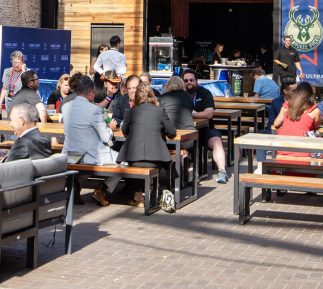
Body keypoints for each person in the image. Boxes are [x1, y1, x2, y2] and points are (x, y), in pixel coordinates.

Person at [117, 83, 177, 213]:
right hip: (156, 156)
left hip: (133, 156)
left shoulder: (131, 112)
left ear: (137, 97)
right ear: (152, 96)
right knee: (167, 166)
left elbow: (124, 131)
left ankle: (138, 196)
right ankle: (166, 196)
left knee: (134, 166)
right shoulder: (159, 111)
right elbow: (172, 132)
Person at [61, 75, 118, 206]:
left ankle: (76, 184)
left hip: (69, 154)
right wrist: (111, 129)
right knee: (124, 161)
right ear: (91, 92)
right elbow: (106, 137)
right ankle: (102, 189)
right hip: (90, 156)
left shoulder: (66, 107)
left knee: (79, 167)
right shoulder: (95, 110)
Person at [182, 69, 228, 183]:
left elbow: (209, 113)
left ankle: (222, 171)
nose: (189, 82)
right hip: (186, 131)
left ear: (197, 81)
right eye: (186, 80)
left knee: (217, 141)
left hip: (206, 130)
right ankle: (185, 175)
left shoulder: (205, 93)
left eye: (191, 80)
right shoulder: (180, 95)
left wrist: (193, 114)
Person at [272, 82, 320, 157]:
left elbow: (276, 123)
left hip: (282, 147)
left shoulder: (287, 106)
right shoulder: (314, 110)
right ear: (310, 95)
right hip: (303, 150)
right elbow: (317, 126)